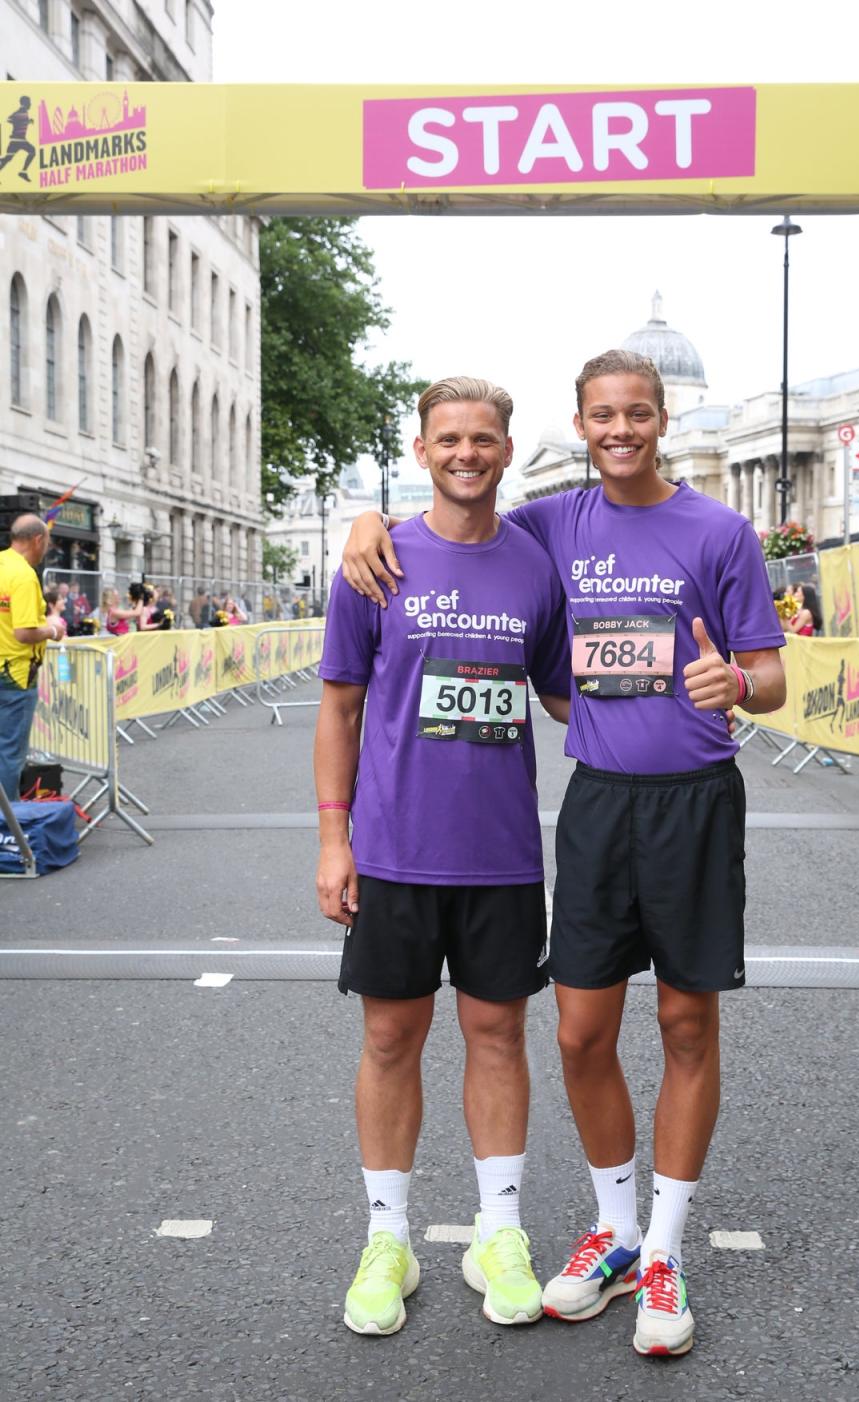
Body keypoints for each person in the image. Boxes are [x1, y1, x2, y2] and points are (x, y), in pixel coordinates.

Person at [341, 349, 787, 1358]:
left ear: (664, 418)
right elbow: (460, 522)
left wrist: (738, 689)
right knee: (580, 1035)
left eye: (637, 412)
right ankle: (615, 1230)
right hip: (594, 805)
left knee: (683, 1021)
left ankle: (664, 1248)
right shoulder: (556, 523)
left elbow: (769, 677)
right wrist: (365, 522)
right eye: (601, 415)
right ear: (579, 426)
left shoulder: (720, 531)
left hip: (694, 803)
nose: (620, 428)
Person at [316, 376, 570, 1338]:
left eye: (484, 439)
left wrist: (665, 698)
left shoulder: (536, 565)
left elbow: (558, 695)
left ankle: (497, 1233)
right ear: (423, 452)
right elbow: (339, 707)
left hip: (501, 855)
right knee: (390, 1040)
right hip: (392, 850)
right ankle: (389, 1240)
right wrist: (333, 837)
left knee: (499, 1037)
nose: (468, 453)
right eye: (449, 439)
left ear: (508, 451)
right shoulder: (377, 562)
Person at [0, 515, 65, 800]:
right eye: (47, 543)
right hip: (15, 675)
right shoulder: (24, 575)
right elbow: (24, 633)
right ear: (38, 540)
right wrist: (53, 628)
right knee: (9, 754)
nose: (46, 549)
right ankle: (6, 827)